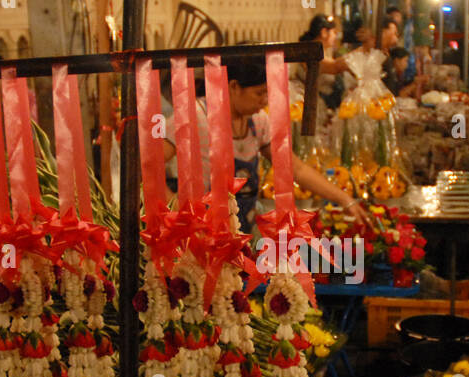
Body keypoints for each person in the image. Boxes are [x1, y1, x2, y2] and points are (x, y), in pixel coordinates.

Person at [159, 56, 371, 234]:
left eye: (267, 93)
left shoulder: (258, 122)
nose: (265, 100)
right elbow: (148, 168)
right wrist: (176, 212)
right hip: (199, 236)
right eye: (259, 93)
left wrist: (344, 199)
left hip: (241, 230)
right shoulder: (194, 116)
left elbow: (294, 168)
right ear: (233, 86)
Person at [293, 14, 351, 116]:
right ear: (324, 32)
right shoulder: (311, 54)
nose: (335, 36)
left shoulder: (320, 52)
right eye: (334, 32)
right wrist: (358, 58)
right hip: (315, 113)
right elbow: (335, 67)